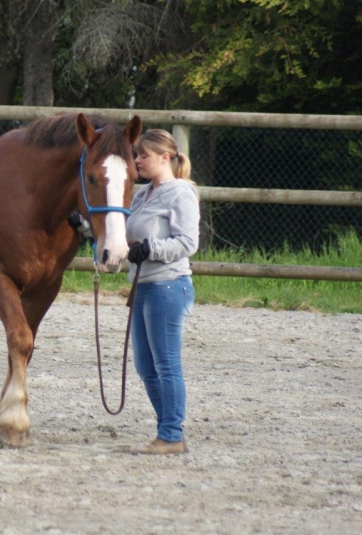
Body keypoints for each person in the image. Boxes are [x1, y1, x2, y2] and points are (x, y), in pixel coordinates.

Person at [126, 128, 200, 455]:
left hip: (169, 285)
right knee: (145, 365)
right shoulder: (142, 194)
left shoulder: (180, 193)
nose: (137, 161)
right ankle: (168, 428)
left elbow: (188, 243)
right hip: (142, 286)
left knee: (166, 363)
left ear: (164, 157)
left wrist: (150, 248)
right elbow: (124, 226)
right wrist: (84, 226)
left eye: (143, 155)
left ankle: (171, 434)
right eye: (137, 155)